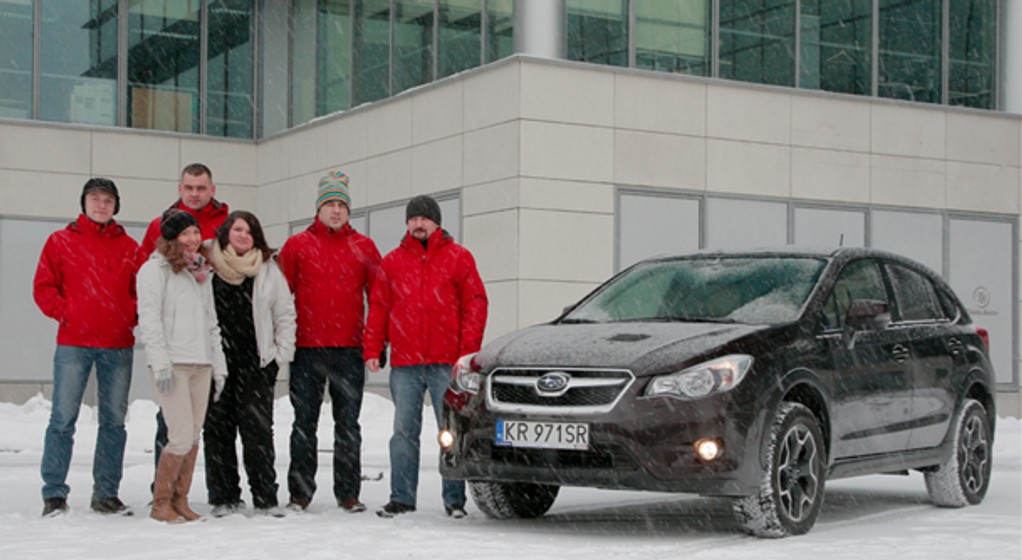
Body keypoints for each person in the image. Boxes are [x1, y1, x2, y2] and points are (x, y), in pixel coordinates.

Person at [364, 195, 488, 519]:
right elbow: (378, 307)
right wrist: (373, 347)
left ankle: (454, 499)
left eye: (424, 218)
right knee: (403, 433)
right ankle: (402, 497)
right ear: (407, 223)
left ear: (437, 222)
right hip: (405, 364)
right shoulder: (392, 262)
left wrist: (467, 352)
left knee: (450, 430)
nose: (419, 224)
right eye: (413, 219)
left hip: (446, 364)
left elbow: (475, 303)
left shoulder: (459, 258)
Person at [33, 178, 139, 517]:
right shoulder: (61, 241)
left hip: (117, 344)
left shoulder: (129, 247)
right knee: (62, 419)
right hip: (74, 343)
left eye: (108, 200)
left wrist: (128, 316)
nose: (101, 204)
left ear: (115, 206)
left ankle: (106, 493)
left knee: (114, 422)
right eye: (95, 198)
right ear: (84, 203)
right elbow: (44, 286)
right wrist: (67, 314)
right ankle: (54, 493)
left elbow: (143, 292)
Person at [277, 170, 382, 513]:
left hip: (348, 351)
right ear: (318, 208)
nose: (336, 211)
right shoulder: (298, 245)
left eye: (342, 204)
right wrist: (278, 342)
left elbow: (379, 299)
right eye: (330, 204)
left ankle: (349, 493)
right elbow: (278, 296)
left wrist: (376, 344)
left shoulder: (364, 247)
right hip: (307, 350)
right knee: (304, 424)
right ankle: (300, 493)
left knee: (348, 425)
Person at [139, 163, 229, 489]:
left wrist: (216, 361)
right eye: (188, 187)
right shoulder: (156, 263)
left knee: (193, 433)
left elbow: (210, 319)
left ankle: (181, 497)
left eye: (201, 187)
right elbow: (150, 311)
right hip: (174, 357)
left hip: (202, 356)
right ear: (180, 189)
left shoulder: (202, 266)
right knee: (174, 431)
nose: (194, 193)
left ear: (211, 189)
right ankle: (161, 496)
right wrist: (159, 359)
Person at [203, 211, 296, 517]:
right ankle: (224, 497)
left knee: (257, 433)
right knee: (218, 432)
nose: (243, 235)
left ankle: (266, 498)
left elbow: (285, 314)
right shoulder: (208, 265)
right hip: (217, 364)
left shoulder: (268, 269)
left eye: (250, 231)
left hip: (256, 365)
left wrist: (279, 357)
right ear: (226, 233)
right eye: (238, 229)